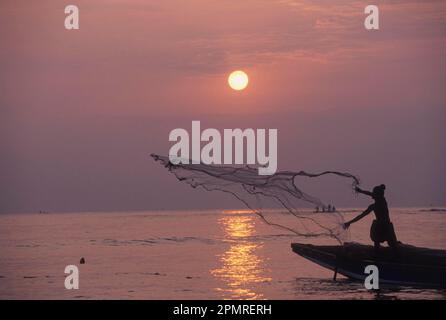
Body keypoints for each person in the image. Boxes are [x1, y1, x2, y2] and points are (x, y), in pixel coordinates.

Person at [343, 184, 398, 252]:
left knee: (383, 244)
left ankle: (378, 252)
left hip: (382, 227)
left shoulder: (374, 206)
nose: (372, 196)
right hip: (386, 226)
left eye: (374, 194)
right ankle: (380, 251)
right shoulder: (383, 201)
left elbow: (361, 216)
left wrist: (349, 222)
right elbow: (369, 193)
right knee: (392, 245)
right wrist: (361, 191)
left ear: (376, 195)